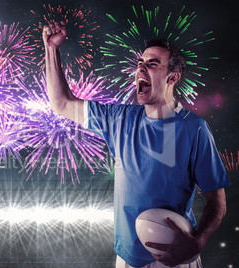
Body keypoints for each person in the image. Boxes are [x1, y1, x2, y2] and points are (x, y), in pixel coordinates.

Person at [42, 21, 230, 267]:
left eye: (153, 64)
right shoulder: (119, 119)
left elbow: (217, 202)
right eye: (140, 63)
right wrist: (51, 49)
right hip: (127, 258)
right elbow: (61, 103)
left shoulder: (194, 129)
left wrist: (198, 242)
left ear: (173, 77)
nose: (141, 69)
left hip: (176, 256)